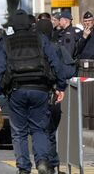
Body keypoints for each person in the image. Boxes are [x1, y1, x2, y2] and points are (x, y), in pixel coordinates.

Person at [0, 10, 69, 174]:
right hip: (40, 89)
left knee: (19, 132)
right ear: (29, 24)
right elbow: (55, 63)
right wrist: (60, 87)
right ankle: (41, 161)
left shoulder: (6, 42)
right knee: (39, 129)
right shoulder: (41, 39)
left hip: (17, 90)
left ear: (12, 25)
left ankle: (24, 168)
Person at [35, 19, 69, 174]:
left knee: (39, 130)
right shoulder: (56, 47)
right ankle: (52, 164)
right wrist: (61, 87)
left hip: (38, 93)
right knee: (51, 130)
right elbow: (67, 69)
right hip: (54, 94)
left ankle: (43, 160)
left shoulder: (33, 48)